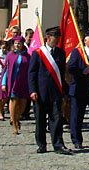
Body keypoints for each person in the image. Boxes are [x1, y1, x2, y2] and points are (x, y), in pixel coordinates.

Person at [28, 26, 71, 154]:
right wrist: (32, 90)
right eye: (55, 37)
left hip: (56, 91)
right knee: (40, 120)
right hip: (41, 93)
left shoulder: (60, 53)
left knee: (56, 119)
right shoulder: (38, 53)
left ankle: (58, 144)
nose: (57, 40)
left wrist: (64, 90)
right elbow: (32, 74)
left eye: (58, 37)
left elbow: (62, 73)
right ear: (48, 38)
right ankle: (41, 144)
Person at [2, 36, 31, 134]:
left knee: (23, 104)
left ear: (22, 44)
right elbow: (6, 70)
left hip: (23, 83)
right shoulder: (10, 55)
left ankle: (17, 117)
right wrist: (3, 83)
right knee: (14, 102)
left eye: (19, 43)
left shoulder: (27, 56)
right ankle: (14, 124)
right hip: (13, 82)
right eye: (15, 43)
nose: (17, 45)